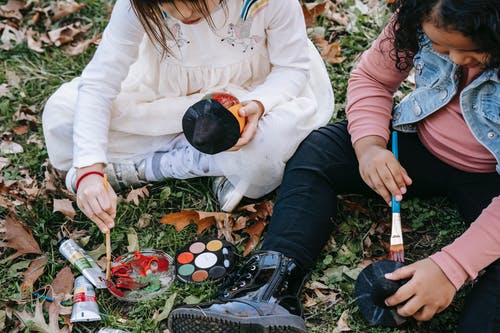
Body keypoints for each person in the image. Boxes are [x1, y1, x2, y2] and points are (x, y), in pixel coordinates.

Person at [167, 0, 500, 332]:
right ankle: (266, 290)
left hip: (490, 178)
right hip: (417, 141)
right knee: (318, 153)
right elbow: (373, 79)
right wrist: (369, 147)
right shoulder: (419, 17)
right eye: (442, 48)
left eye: (473, 54)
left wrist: (451, 267)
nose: (457, 61)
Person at [42, 0, 334, 232]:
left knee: (271, 142)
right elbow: (100, 83)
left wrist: (260, 104)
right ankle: (210, 163)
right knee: (63, 115)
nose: (183, 13)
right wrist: (90, 169)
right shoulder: (136, 5)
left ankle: (154, 166)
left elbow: (292, 69)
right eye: (167, 5)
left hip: (245, 99)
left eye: (196, 4)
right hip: (165, 101)